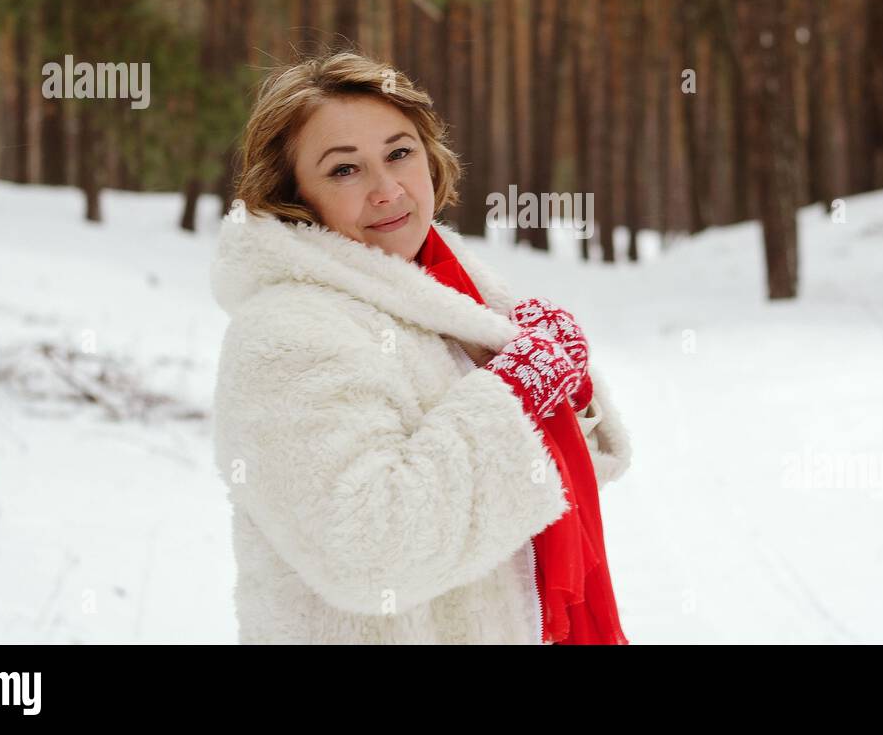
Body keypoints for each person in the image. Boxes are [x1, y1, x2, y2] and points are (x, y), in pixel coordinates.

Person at [210, 49, 631, 644]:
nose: (387, 190)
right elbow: (369, 549)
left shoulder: (446, 289)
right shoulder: (284, 333)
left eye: (399, 153)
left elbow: (537, 494)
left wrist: (570, 400)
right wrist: (516, 394)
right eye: (344, 170)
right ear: (293, 196)